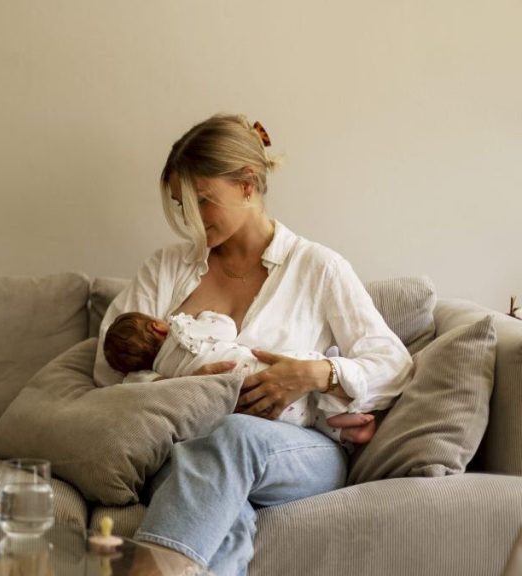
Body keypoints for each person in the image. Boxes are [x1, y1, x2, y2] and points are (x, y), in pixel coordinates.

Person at [93, 114, 412, 576]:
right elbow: (108, 370)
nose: (193, 219)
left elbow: (393, 364)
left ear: (247, 185)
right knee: (222, 511)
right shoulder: (167, 268)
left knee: (235, 437)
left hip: (295, 453)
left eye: (204, 200)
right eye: (184, 205)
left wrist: (316, 373)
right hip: (188, 448)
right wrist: (176, 384)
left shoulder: (317, 267)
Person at [102, 311, 377, 444]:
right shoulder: (183, 331)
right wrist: (202, 316)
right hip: (257, 370)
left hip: (250, 409)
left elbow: (132, 387)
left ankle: (343, 430)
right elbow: (226, 328)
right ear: (157, 326)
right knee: (312, 367)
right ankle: (351, 411)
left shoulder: (162, 379)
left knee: (306, 419)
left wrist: (173, 382)